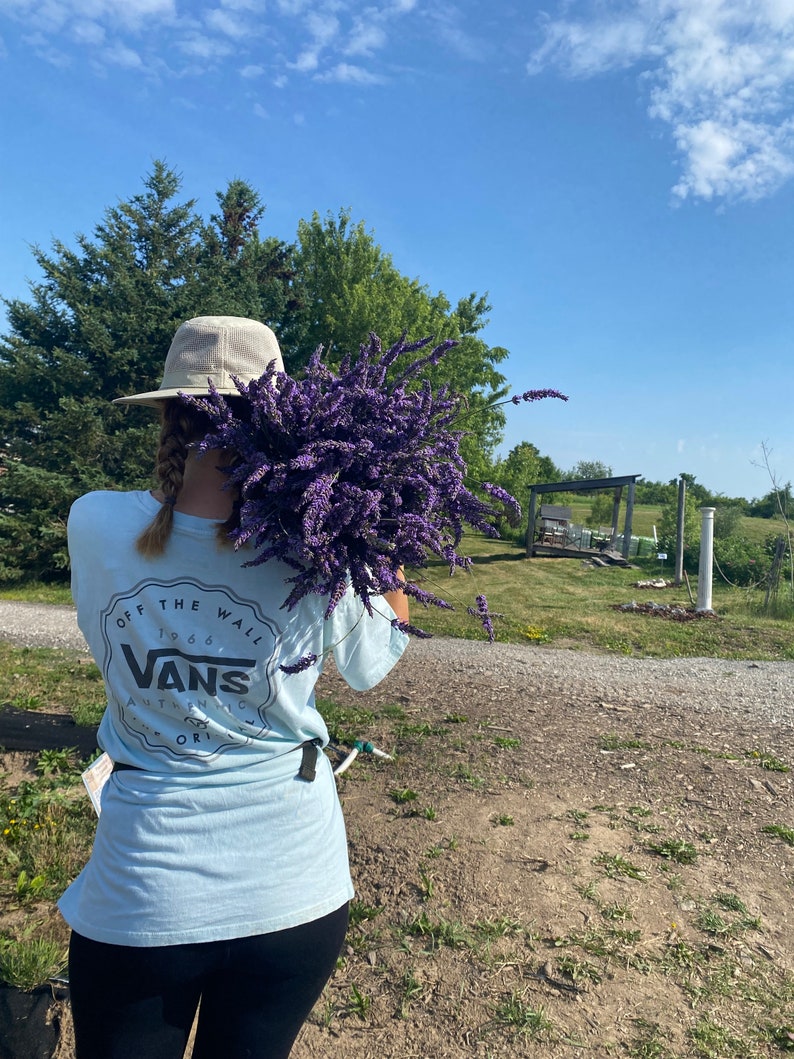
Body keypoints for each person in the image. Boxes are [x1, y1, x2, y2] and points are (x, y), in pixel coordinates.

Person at [59, 316, 410, 1059]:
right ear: (285, 419)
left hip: (144, 892)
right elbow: (371, 664)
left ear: (167, 413)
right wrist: (388, 540)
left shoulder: (94, 524)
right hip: (295, 892)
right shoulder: (316, 555)